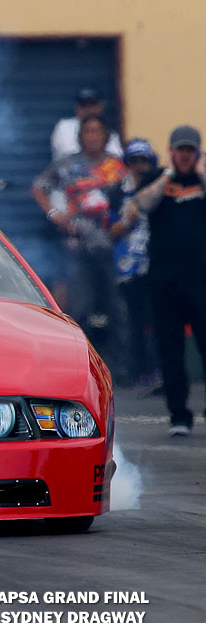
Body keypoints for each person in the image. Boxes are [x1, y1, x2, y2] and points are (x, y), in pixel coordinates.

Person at [31, 115, 129, 376]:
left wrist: (125, 223)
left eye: (97, 131)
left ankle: (122, 370)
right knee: (81, 309)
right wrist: (55, 214)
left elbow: (133, 197)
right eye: (88, 131)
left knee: (118, 309)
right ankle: (83, 369)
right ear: (80, 136)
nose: (92, 136)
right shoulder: (67, 164)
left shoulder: (118, 167)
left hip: (113, 249)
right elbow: (38, 187)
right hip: (78, 248)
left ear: (105, 136)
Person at [133, 125, 206, 436]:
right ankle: (179, 416)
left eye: (190, 150)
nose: (185, 155)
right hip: (164, 282)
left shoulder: (202, 181)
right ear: (172, 151)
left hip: (201, 280)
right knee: (170, 350)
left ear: (197, 153)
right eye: (181, 150)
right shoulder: (156, 179)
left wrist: (201, 174)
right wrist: (167, 177)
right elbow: (142, 204)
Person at [108, 139, 161, 393]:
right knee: (134, 321)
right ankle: (139, 371)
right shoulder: (118, 191)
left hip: (156, 264)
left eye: (144, 161)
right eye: (135, 161)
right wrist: (129, 219)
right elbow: (111, 230)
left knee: (157, 319)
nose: (140, 166)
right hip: (128, 267)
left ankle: (159, 370)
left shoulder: (160, 188)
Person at [51, 87, 124, 161]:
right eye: (84, 105)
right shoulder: (64, 127)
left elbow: (116, 157)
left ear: (101, 107)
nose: (88, 109)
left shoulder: (109, 131)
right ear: (77, 108)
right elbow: (66, 153)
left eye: (92, 105)